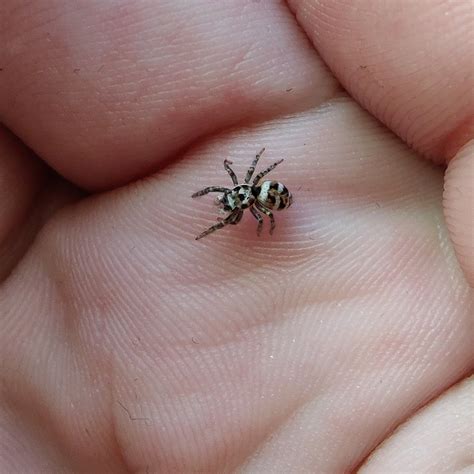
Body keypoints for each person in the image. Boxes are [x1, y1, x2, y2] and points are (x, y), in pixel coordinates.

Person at [0, 1, 472, 472]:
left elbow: (255, 192)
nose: (231, 204)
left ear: (243, 198)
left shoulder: (252, 198)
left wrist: (252, 214)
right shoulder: (246, 193)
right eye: (232, 204)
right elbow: (249, 185)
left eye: (230, 203)